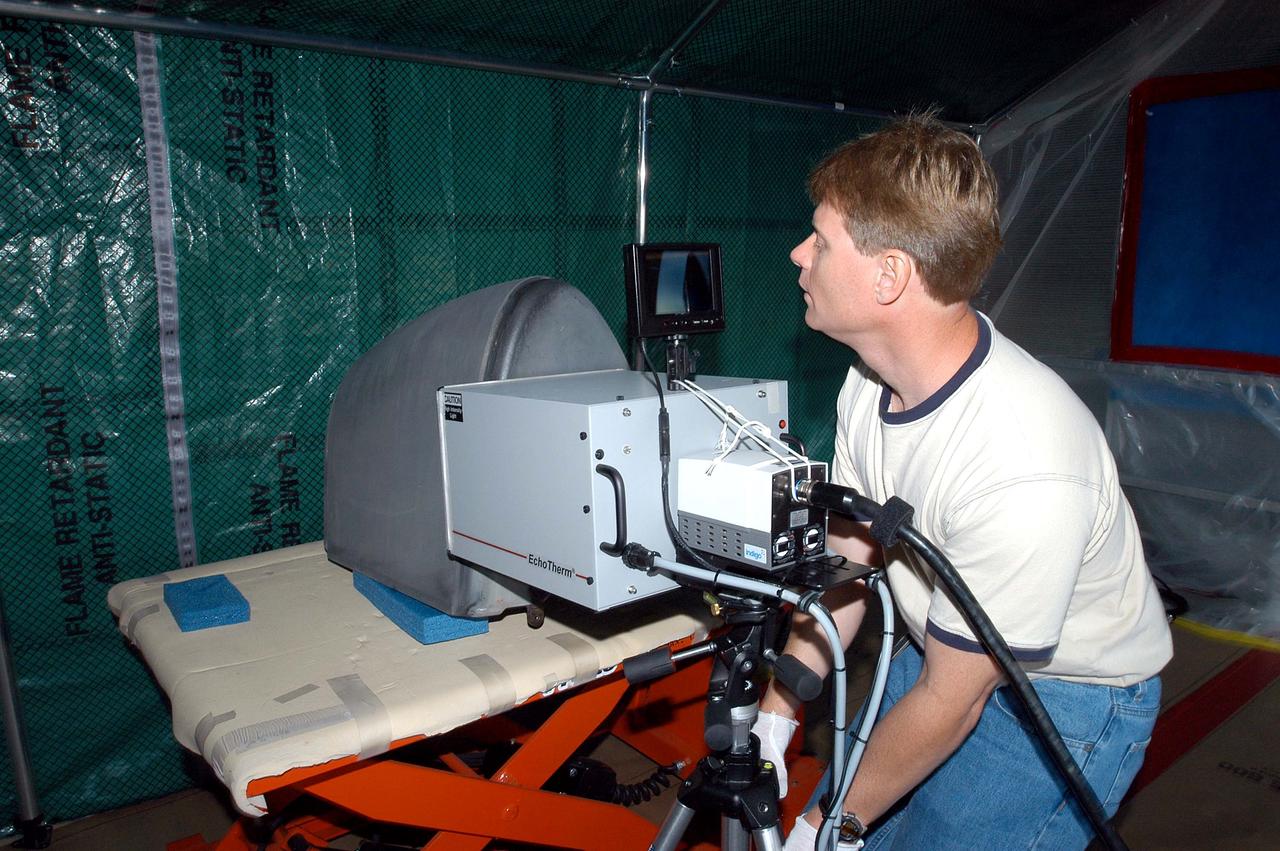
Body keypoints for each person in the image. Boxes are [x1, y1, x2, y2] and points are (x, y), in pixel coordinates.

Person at [758, 114, 1173, 850]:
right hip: (947, 647)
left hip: (1066, 692)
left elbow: (954, 698)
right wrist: (777, 712)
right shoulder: (868, 385)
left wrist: (832, 823)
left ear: (890, 276)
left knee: (847, 829)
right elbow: (849, 566)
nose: (799, 254)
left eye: (821, 241)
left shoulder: (1021, 461)